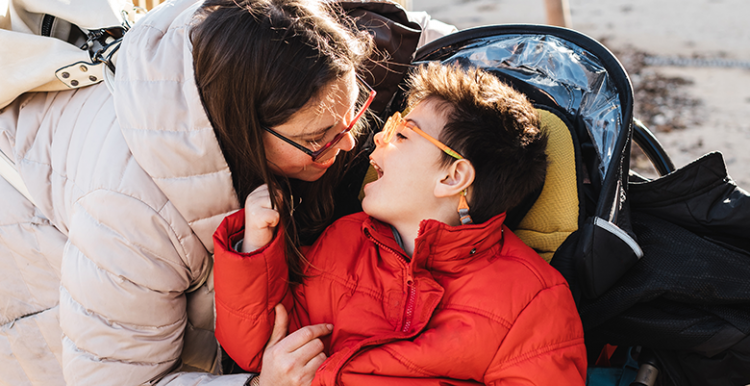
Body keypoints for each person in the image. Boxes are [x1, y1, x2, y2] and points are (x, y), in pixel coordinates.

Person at [0, 0, 455, 383]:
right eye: (319, 137)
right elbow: (118, 376)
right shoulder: (132, 216)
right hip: (28, 243)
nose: (350, 143)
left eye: (354, 112)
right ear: (243, 130)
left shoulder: (256, 29)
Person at [213, 62, 588, 385]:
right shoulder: (343, 240)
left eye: (402, 133)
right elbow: (260, 347)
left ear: (452, 177)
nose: (379, 136)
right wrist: (255, 247)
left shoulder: (532, 299)